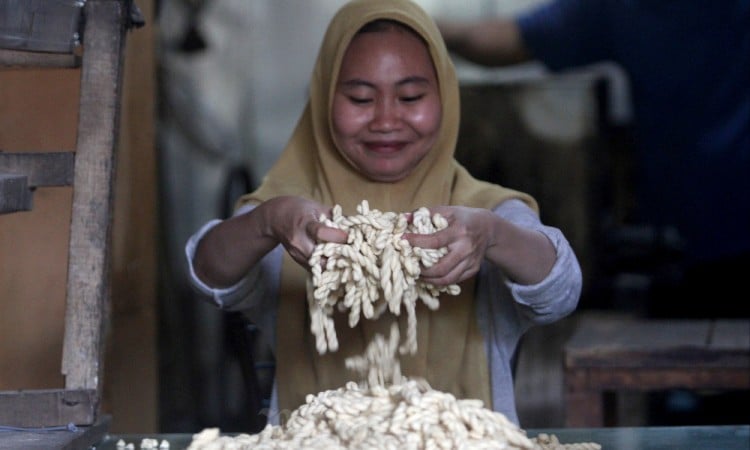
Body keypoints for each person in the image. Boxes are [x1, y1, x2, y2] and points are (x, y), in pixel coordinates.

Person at [185, 0, 581, 426]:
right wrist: (266, 221)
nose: (387, 119)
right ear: (322, 99)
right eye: (360, 97)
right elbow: (208, 274)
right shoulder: (292, 223)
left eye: (411, 96)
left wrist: (494, 237)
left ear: (445, 96)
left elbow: (560, 291)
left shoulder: (483, 213)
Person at [437, 0, 750, 318]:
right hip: (694, 251)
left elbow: (504, 41)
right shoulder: (627, 11)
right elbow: (507, 40)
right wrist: (408, 20)